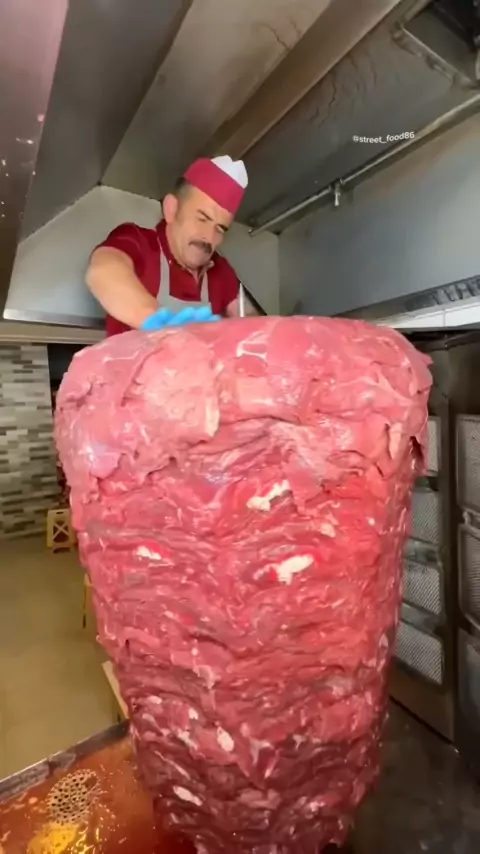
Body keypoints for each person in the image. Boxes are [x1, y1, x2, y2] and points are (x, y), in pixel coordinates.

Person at [86, 155, 254, 336]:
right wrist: (157, 321)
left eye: (220, 229)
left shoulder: (221, 270)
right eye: (202, 219)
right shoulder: (138, 241)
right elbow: (104, 271)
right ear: (171, 208)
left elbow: (249, 320)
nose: (209, 237)